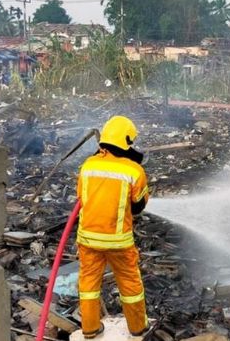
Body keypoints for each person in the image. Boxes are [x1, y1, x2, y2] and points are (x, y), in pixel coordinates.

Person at [77, 116, 150, 338]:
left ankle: (89, 329)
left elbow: (81, 197)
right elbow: (138, 206)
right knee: (130, 284)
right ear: (127, 140)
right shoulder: (134, 171)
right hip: (119, 242)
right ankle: (137, 327)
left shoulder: (87, 166)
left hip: (88, 239)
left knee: (88, 283)